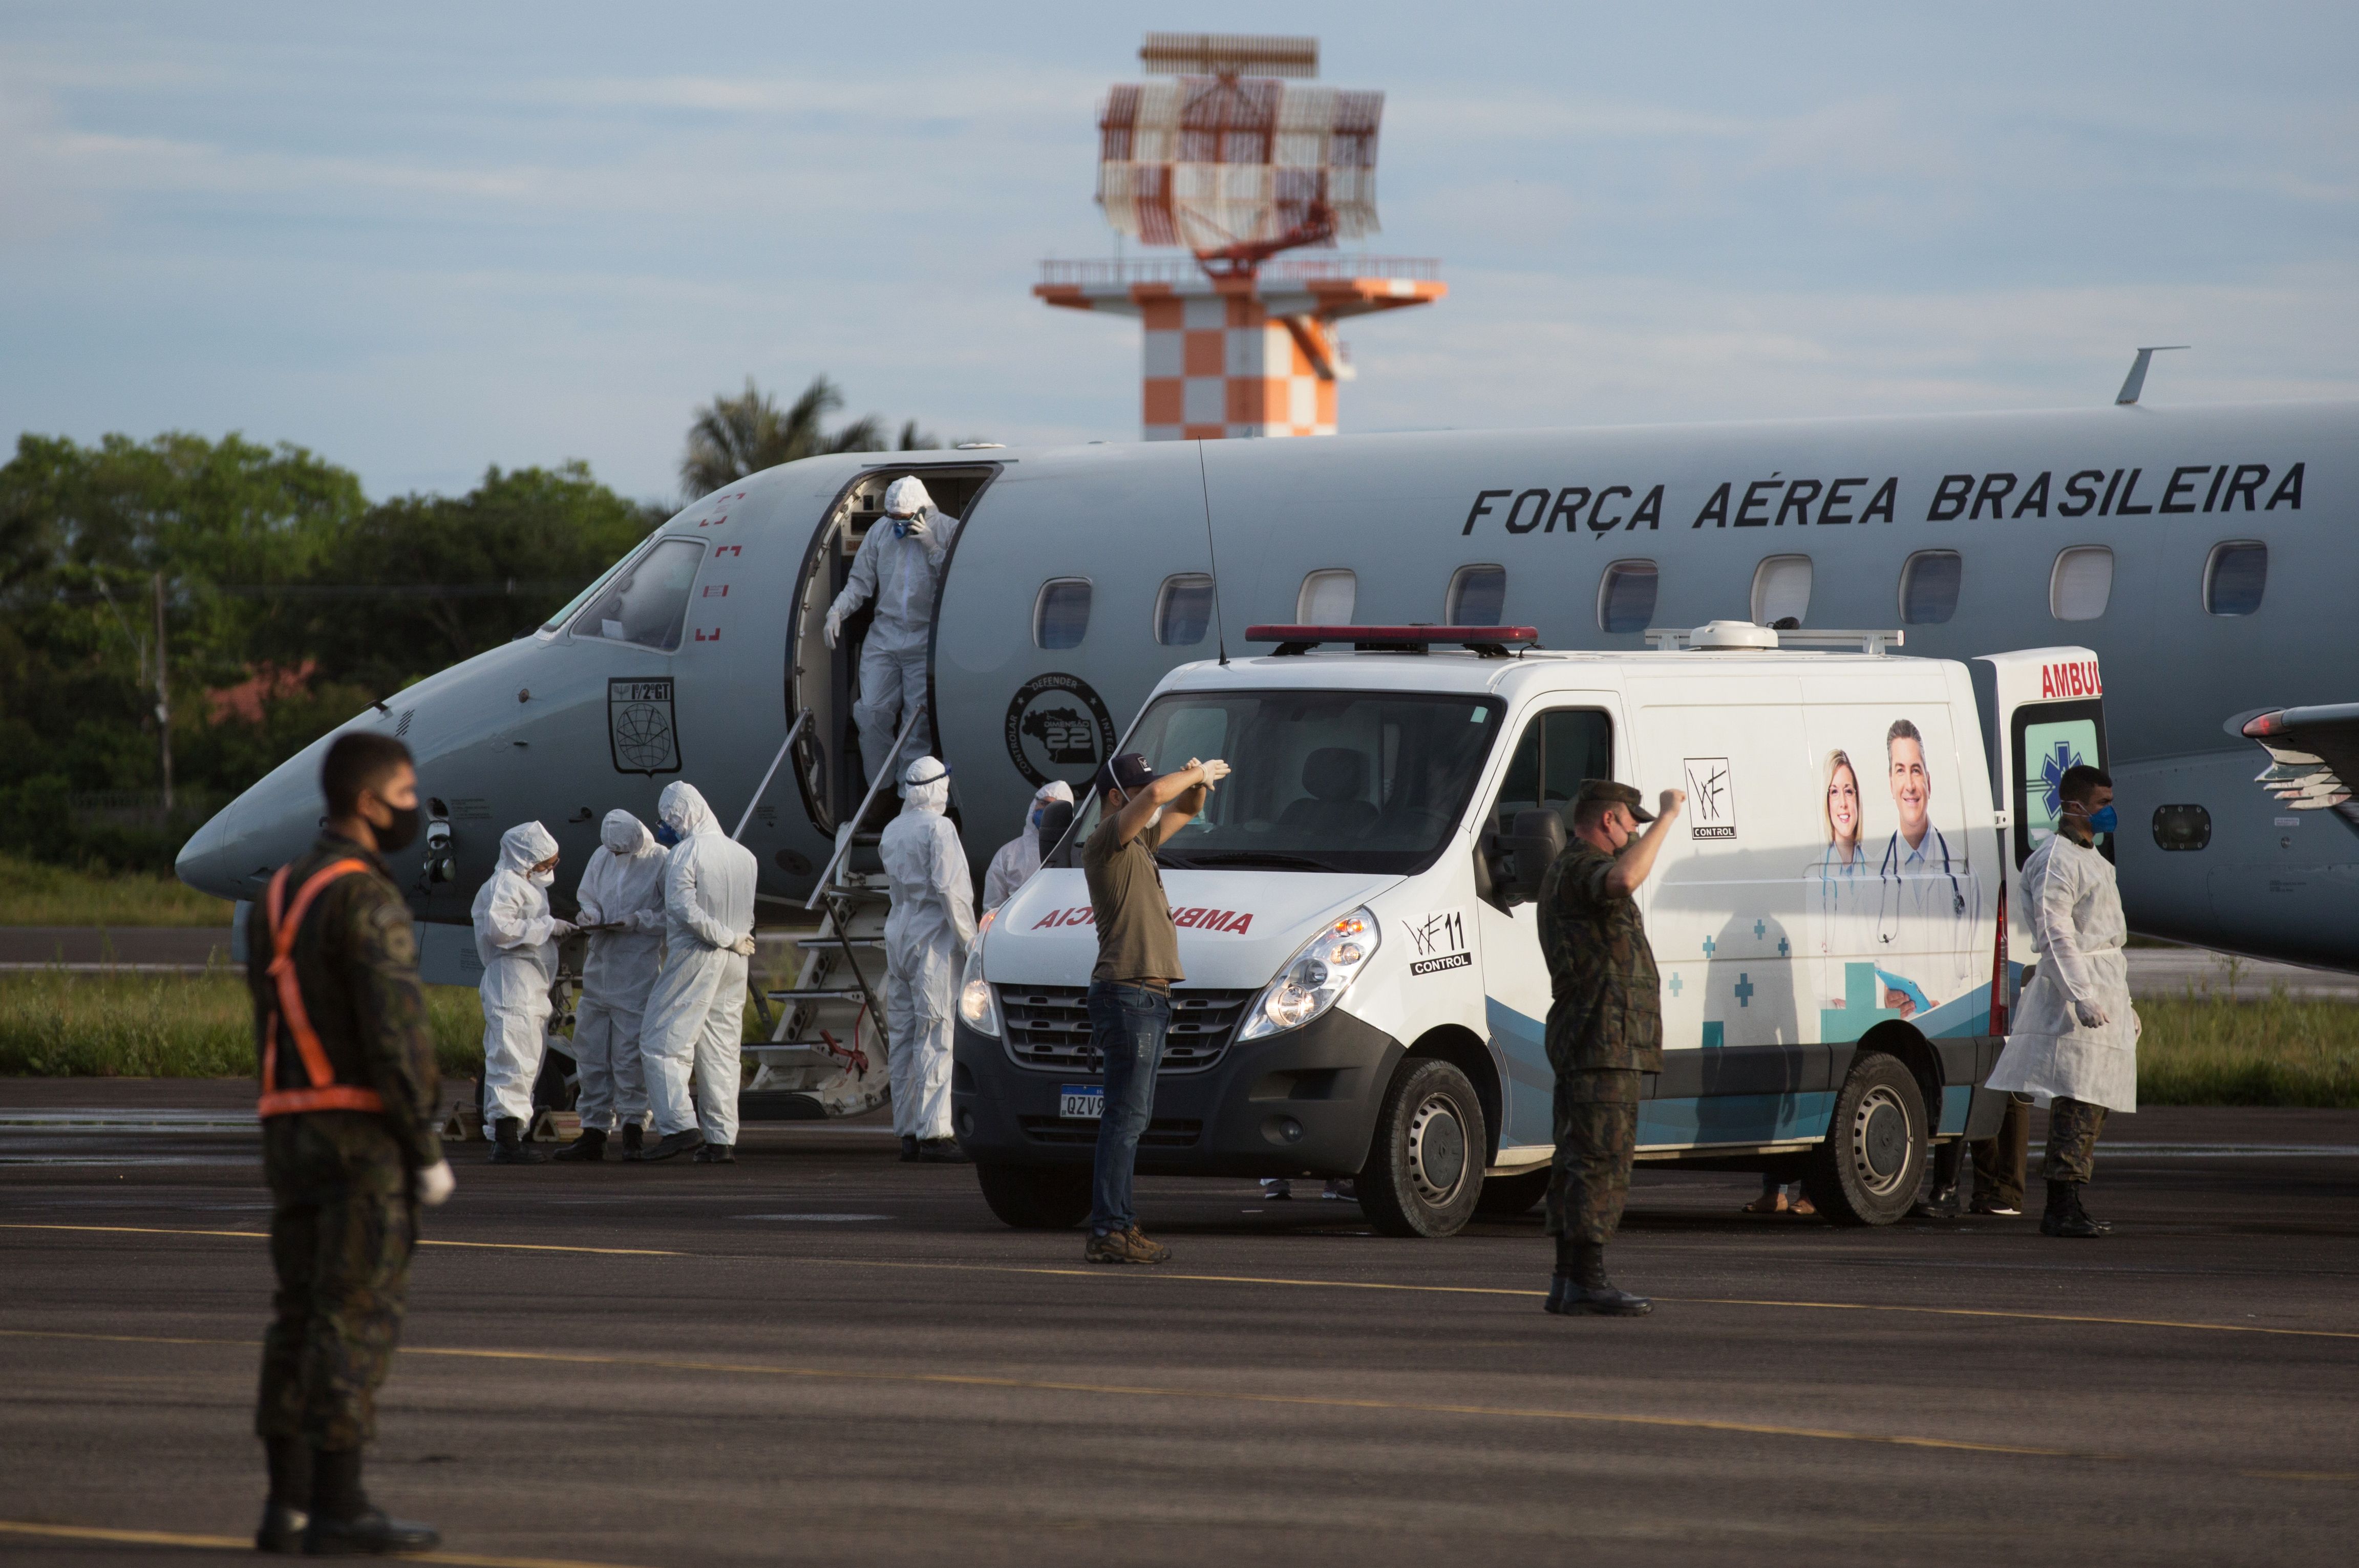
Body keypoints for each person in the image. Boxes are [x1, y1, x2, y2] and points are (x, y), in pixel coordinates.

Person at [248, 731, 447, 1555]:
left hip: (288, 1123)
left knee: (295, 1314)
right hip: (359, 1133)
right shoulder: (365, 895)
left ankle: (286, 1504)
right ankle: (341, 1501)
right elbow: (395, 1033)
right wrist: (423, 1143)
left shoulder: (284, 890)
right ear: (368, 801)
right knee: (352, 1315)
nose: (412, 804)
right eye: (404, 790)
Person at [1538, 778, 1685, 1317]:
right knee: (1599, 1158)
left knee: (1583, 1156)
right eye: (1631, 821)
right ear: (1608, 820)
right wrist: (1667, 817)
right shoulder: (1581, 867)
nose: (1633, 831)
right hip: (1599, 1036)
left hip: (1600, 1035)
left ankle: (1568, 1278)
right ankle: (1586, 1279)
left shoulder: (1571, 869)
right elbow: (1624, 878)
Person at [1081, 750, 1229, 1264]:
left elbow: (1182, 809)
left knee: (1130, 1118)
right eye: (1134, 791)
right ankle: (1109, 1228)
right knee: (1124, 1118)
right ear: (1114, 799)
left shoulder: (1138, 842)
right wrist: (1191, 774)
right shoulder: (1105, 840)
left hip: (1145, 996)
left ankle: (1118, 1223)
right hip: (1127, 993)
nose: (1146, 795)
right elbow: (1156, 796)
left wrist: (1198, 783)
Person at [1986, 766, 2137, 1238]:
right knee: (2077, 1098)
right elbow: (2057, 932)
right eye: (2099, 803)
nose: (2107, 811)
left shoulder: (2094, 860)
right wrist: (2082, 995)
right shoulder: (2056, 859)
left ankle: (2072, 1197)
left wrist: (2123, 1003)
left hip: (2104, 983)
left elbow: (2107, 937)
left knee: (2097, 1098)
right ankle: (2060, 1203)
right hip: (2076, 990)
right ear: (2073, 805)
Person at [634, 781, 758, 1164]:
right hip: (738, 958)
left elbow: (682, 909)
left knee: (662, 1041)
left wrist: (721, 938)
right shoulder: (744, 855)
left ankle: (678, 1126)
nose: (664, 827)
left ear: (683, 815)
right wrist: (735, 939)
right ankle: (721, 1140)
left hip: (698, 954)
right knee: (721, 1048)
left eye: (668, 818)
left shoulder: (685, 853)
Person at [822, 476, 962, 796]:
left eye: (905, 519)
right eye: (894, 518)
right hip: (884, 636)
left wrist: (934, 548)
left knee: (917, 722)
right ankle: (880, 791)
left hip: (925, 637)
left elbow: (957, 583)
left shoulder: (948, 530)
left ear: (923, 510)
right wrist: (836, 612)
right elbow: (860, 583)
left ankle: (908, 796)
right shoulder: (881, 533)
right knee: (870, 713)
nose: (899, 525)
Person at [552, 810, 666, 1162]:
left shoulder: (661, 861)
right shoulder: (603, 854)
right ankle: (593, 1131)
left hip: (637, 971)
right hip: (600, 966)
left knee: (630, 1055)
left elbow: (673, 914)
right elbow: (588, 893)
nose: (616, 858)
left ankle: (634, 1129)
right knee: (591, 1052)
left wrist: (638, 921)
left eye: (622, 853)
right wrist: (591, 914)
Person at [879, 756, 977, 1162]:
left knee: (902, 1035)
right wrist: (972, 944)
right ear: (938, 787)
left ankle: (906, 1130)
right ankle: (935, 1132)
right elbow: (951, 891)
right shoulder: (939, 828)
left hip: (897, 934)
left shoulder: (892, 828)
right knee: (937, 1031)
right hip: (931, 938)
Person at [472, 820, 574, 1165]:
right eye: (546, 862)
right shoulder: (504, 885)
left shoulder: (527, 885)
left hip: (528, 984)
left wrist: (549, 931)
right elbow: (499, 930)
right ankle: (505, 1140)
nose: (550, 869)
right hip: (511, 981)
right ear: (526, 857)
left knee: (526, 1059)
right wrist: (547, 927)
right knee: (511, 1057)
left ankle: (512, 1131)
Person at [1872, 718, 1981, 1016]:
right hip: (1896, 1036)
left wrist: (1944, 1009)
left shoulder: (1965, 877)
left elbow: (1980, 970)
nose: (1909, 784)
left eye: (1916, 771)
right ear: (1891, 785)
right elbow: (1861, 965)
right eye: (1900, 771)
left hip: (1953, 1031)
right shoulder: (1872, 878)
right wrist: (1882, 995)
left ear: (1929, 783)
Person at [982, 778, 1074, 910]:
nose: (1046, 811)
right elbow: (993, 907)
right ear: (1034, 805)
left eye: (1053, 807)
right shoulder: (1008, 854)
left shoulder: (1076, 852)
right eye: (1043, 804)